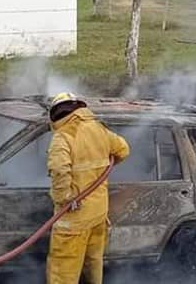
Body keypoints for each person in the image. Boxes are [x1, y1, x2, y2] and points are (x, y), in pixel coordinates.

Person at [46, 93, 130, 284]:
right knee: (93, 263)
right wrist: (103, 166)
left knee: (63, 271)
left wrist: (65, 198)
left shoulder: (62, 137)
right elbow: (123, 150)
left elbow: (59, 171)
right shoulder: (99, 129)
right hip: (98, 214)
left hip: (73, 220)